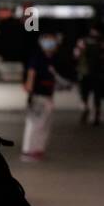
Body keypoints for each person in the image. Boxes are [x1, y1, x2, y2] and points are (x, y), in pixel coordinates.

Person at [21, 33, 60, 161]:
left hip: (48, 95)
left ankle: (38, 149)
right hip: (38, 95)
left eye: (52, 42)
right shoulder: (37, 57)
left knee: (45, 124)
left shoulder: (52, 58)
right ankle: (28, 151)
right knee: (34, 123)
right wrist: (30, 87)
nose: (50, 45)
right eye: (47, 41)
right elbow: (31, 73)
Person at [74, 22, 104, 125]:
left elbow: (76, 55)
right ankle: (95, 114)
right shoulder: (103, 42)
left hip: (86, 72)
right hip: (97, 73)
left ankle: (87, 111)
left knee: (85, 94)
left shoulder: (83, 42)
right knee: (96, 95)